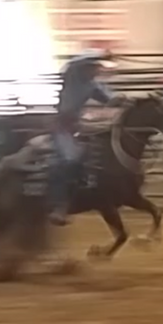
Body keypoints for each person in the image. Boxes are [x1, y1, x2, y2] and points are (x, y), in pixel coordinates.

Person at [49, 50, 117, 225]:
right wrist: (102, 54)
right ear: (86, 67)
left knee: (98, 153)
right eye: (95, 67)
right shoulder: (73, 76)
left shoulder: (92, 86)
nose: (98, 70)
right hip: (62, 127)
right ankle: (59, 206)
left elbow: (112, 99)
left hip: (77, 127)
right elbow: (76, 61)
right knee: (70, 160)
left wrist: (134, 103)